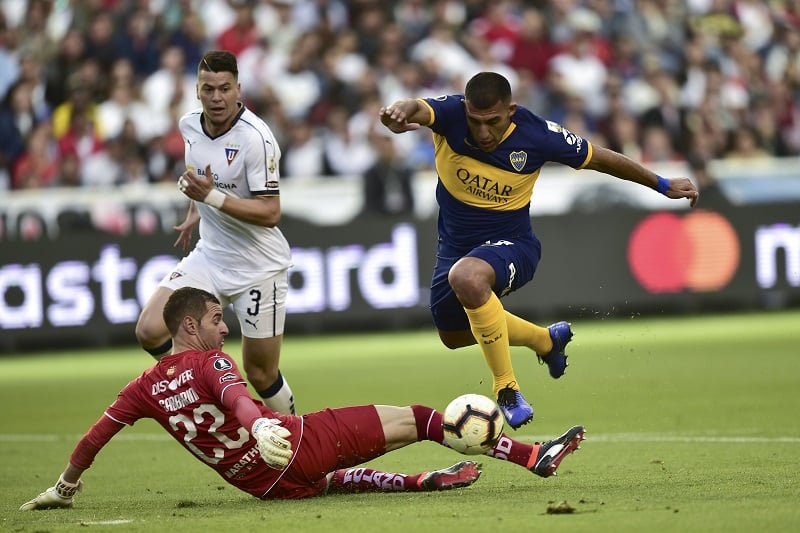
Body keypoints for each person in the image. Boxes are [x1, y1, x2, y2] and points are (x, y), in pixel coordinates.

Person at [20, 287, 586, 508]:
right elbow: (236, 397)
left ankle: (419, 482)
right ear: (190, 325)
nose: (225, 330)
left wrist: (65, 485)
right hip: (294, 446)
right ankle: (532, 456)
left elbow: (96, 436)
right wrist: (261, 424)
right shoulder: (209, 360)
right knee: (422, 418)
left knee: (328, 479)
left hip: (261, 484)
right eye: (218, 320)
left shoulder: (143, 386)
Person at [378, 71, 698, 430]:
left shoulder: (538, 135)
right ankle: (546, 340)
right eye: (476, 121)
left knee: (467, 278)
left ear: (511, 111)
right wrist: (397, 113)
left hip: (515, 246)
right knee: (452, 336)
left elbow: (600, 158)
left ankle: (508, 390)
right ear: (465, 108)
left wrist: (662, 183)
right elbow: (415, 107)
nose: (483, 132)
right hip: (454, 249)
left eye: (493, 122)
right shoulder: (450, 114)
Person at [134, 50, 295, 415]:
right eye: (209, 89)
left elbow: (271, 212)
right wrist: (197, 207)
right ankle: (201, 395)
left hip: (259, 267)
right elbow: (204, 175)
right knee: (150, 330)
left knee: (260, 371)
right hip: (210, 257)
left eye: (225, 88)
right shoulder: (189, 124)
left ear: (238, 89)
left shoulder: (257, 138)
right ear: (197, 90)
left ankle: (297, 440)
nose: (217, 97)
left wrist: (212, 198)